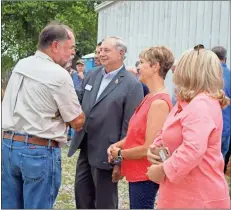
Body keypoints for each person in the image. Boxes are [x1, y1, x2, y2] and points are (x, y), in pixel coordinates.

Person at [1, 22, 85, 209]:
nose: (72, 53)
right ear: (55, 45)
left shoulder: (21, 64)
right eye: (70, 47)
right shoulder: (58, 74)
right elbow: (77, 121)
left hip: (8, 146)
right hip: (38, 151)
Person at [146, 48, 230, 208]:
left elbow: (192, 149)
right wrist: (156, 147)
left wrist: (163, 170)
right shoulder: (186, 102)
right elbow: (166, 130)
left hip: (197, 196)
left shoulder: (201, 105)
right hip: (182, 192)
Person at [68, 36, 144, 209]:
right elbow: (78, 101)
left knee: (104, 203)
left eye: (106, 50)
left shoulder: (132, 85)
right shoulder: (92, 74)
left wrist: (120, 161)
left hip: (107, 152)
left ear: (121, 53)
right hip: (85, 147)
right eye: (100, 50)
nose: (101, 54)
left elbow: (130, 126)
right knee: (82, 198)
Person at [107, 46, 174, 209]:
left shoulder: (159, 103)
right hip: (137, 172)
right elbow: (135, 135)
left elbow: (149, 148)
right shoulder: (149, 97)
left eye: (142, 62)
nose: (138, 67)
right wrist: (117, 145)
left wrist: (120, 154)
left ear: (155, 66)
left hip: (144, 174)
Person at [211, 46, 231, 164]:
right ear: (226, 59)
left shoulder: (206, 76)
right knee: (219, 163)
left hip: (206, 128)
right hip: (225, 127)